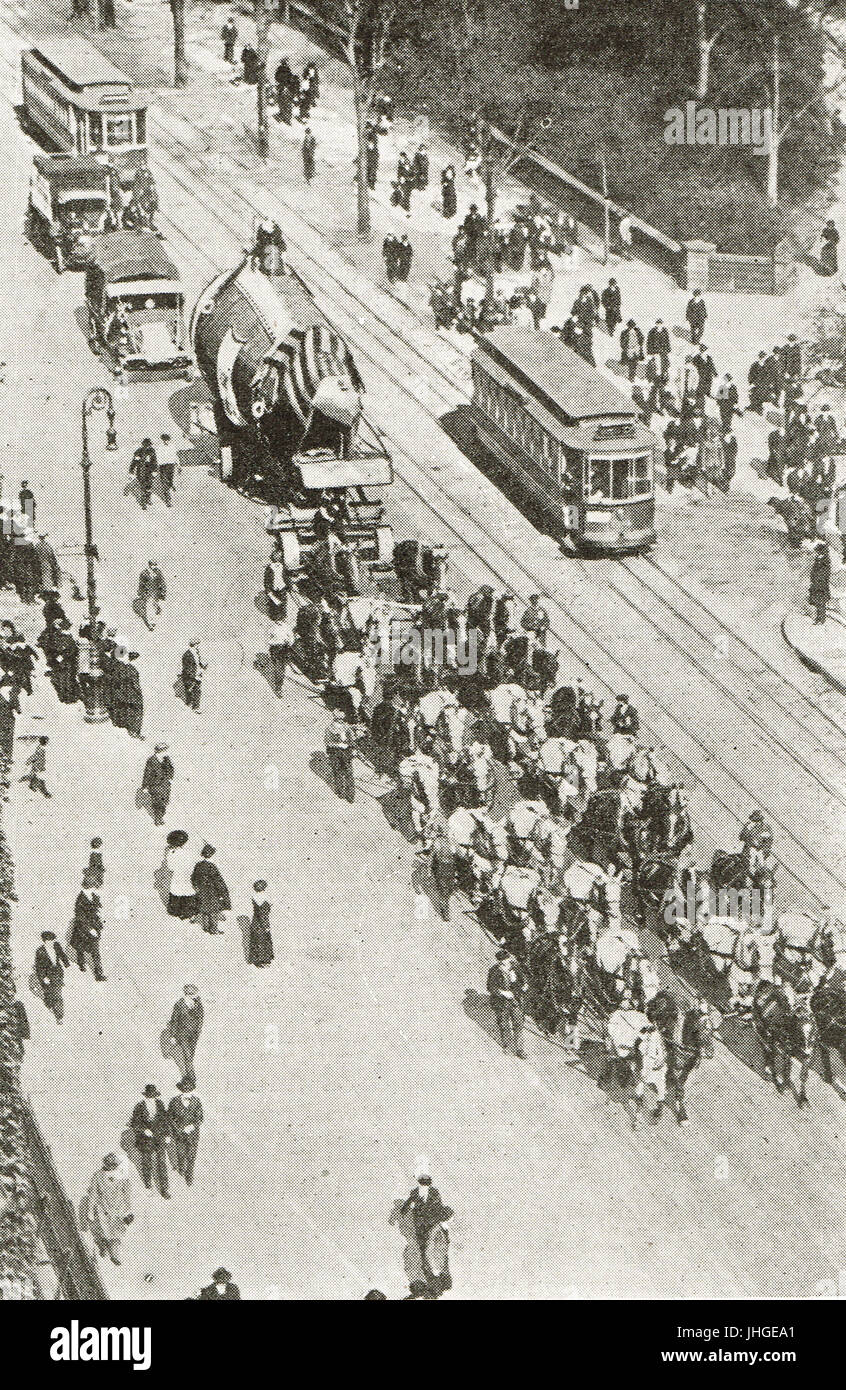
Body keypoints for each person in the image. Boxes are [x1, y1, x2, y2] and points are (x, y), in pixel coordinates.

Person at [400, 1174, 453, 1299]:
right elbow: (408, 1202)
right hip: (420, 1225)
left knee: (430, 1249)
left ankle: (434, 1278)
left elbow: (438, 1205)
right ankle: (431, 1275)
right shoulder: (415, 1192)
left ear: (429, 1184)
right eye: (422, 1183)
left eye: (426, 1183)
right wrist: (404, 1210)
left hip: (431, 1222)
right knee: (423, 1247)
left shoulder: (434, 1193)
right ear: (420, 1183)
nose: (424, 1185)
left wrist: (439, 1217)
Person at [84, 1155, 133, 1265]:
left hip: (118, 1209)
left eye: (115, 1165)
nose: (114, 1167)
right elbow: (93, 1194)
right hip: (103, 1209)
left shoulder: (122, 1174)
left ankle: (114, 1255)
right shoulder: (98, 1176)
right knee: (105, 1232)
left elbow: (127, 1194)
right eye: (112, 1165)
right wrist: (90, 1211)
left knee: (116, 1233)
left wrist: (129, 1210)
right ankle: (103, 1247)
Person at [130, 1085, 171, 1198]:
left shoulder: (160, 1104)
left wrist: (167, 1135)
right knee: (147, 1163)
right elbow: (134, 1123)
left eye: (153, 1096)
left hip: (159, 1138)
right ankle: (148, 1185)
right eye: (149, 1096)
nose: (151, 1098)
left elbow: (165, 1121)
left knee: (162, 1162)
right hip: (146, 1140)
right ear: (145, 1096)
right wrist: (144, 1130)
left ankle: (164, 1189)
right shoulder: (139, 1107)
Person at [486, 948, 527, 1056]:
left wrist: (518, 984)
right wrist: (502, 993)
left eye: (507, 959)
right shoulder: (494, 970)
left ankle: (520, 1050)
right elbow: (490, 987)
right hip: (501, 1003)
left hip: (515, 1001)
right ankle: (507, 1047)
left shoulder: (516, 968)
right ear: (499, 961)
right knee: (504, 1025)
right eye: (503, 960)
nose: (506, 962)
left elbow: (524, 982)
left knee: (518, 1024)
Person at [70, 875, 106, 980]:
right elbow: (80, 917)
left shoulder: (94, 896)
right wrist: (90, 929)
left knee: (94, 950)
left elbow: (97, 909)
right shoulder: (80, 899)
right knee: (81, 948)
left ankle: (98, 973)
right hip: (82, 929)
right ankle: (83, 965)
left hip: (94, 927)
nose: (95, 889)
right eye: (94, 886)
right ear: (88, 887)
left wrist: (100, 921)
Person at [168, 1080, 203, 1186]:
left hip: (193, 1135)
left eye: (188, 1091)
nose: (186, 1093)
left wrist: (192, 1126)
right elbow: (170, 1117)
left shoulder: (197, 1101)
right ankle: (181, 1168)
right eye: (184, 1091)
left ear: (191, 1091)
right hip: (179, 1133)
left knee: (191, 1156)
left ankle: (189, 1176)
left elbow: (200, 1118)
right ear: (181, 1091)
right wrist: (179, 1128)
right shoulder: (174, 1101)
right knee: (181, 1153)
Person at [167, 984, 203, 1086]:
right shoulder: (179, 1004)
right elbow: (174, 1021)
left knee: (190, 1055)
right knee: (187, 1055)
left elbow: (201, 1017)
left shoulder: (198, 1003)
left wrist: (199, 1030)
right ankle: (191, 1077)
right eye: (195, 994)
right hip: (182, 1034)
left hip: (194, 1035)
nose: (196, 995)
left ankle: (188, 1075)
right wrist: (173, 1036)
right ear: (188, 994)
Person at [192, 845, 231, 935]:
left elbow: (193, 878)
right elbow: (218, 881)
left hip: (201, 890)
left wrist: (196, 887)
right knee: (213, 910)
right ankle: (213, 929)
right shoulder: (211, 866)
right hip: (211, 891)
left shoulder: (198, 865)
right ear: (211, 855)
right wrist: (223, 892)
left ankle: (205, 927)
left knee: (205, 909)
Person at [34, 931, 69, 1021]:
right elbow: (39, 967)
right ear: (44, 941)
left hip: (57, 973)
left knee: (57, 994)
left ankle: (59, 1016)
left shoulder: (56, 946)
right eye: (49, 941)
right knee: (49, 992)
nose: (51, 942)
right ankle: (48, 1002)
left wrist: (66, 963)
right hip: (47, 975)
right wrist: (43, 978)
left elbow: (62, 954)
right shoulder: (40, 951)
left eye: (52, 940)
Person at [325, 709, 355, 802]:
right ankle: (340, 791)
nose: (341, 721)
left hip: (346, 753)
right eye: (339, 719)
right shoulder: (330, 729)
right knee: (338, 772)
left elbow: (351, 740)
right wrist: (338, 745)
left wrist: (353, 749)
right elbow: (328, 742)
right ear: (335, 719)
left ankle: (350, 795)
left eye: (342, 719)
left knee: (349, 773)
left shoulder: (346, 728)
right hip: (335, 753)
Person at [142, 743, 174, 826]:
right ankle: (157, 818)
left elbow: (171, 769)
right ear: (160, 751)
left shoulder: (166, 759)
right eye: (165, 750)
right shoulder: (151, 760)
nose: (166, 752)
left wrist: (170, 778)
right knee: (157, 802)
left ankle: (161, 816)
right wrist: (145, 786)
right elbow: (147, 773)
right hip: (155, 784)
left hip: (165, 785)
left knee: (165, 801)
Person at [248, 880, 274, 967]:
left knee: (256, 941)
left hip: (255, 922)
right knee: (263, 941)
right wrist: (266, 926)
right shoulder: (265, 899)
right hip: (262, 924)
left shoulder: (254, 897)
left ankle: (258, 960)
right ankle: (263, 960)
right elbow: (264, 915)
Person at [137, 561, 166, 631]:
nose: (155, 567)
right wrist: (140, 592)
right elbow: (141, 583)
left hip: (155, 592)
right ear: (150, 565)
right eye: (153, 565)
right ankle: (150, 622)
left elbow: (162, 582)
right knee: (148, 607)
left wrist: (163, 592)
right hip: (147, 593)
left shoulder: (158, 572)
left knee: (154, 606)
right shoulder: (144, 573)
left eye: (155, 565)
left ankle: (153, 620)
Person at [810, 541, 831, 625]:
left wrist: (819, 579)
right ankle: (818, 618)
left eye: (818, 551)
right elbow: (814, 571)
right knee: (817, 602)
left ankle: (821, 619)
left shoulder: (825, 560)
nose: (816, 553)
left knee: (821, 602)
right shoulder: (818, 559)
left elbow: (826, 572)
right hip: (816, 583)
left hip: (821, 585)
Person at [181, 640, 205, 711]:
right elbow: (186, 668)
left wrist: (202, 666)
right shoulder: (187, 654)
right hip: (190, 677)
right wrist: (194, 676)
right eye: (198, 644)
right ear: (194, 645)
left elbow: (197, 663)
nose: (198, 646)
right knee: (190, 690)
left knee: (197, 690)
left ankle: (196, 707)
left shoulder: (196, 653)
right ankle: (189, 704)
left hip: (196, 675)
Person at [157, 435, 178, 504]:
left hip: (171, 466)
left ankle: (171, 484)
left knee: (170, 478)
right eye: (164, 440)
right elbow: (156, 457)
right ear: (162, 440)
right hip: (162, 466)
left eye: (167, 440)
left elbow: (175, 456)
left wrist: (178, 465)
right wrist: (156, 467)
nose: (166, 441)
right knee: (164, 482)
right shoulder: (159, 447)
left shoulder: (172, 446)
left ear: (169, 440)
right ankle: (168, 499)